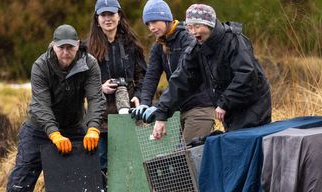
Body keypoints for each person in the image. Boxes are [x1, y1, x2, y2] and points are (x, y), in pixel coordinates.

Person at [1, 24, 106, 192]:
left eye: (70, 47)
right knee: (22, 176)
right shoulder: (41, 66)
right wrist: (54, 134)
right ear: (53, 46)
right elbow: (41, 105)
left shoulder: (90, 64)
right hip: (39, 128)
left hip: (75, 126)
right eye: (61, 48)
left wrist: (93, 128)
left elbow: (95, 98)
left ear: (78, 45)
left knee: (88, 173)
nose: (65, 52)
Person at [142, 3, 272, 141]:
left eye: (197, 26)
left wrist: (224, 103)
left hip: (253, 104)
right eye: (190, 27)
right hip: (227, 108)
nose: (193, 32)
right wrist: (162, 113)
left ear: (209, 25)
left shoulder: (233, 40)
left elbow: (246, 75)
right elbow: (181, 80)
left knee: (249, 145)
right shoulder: (196, 49)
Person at [130, 0, 215, 144]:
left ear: (166, 18)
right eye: (148, 24)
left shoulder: (187, 38)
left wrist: (159, 106)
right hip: (178, 109)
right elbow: (151, 76)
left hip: (199, 107)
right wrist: (145, 102)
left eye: (154, 21)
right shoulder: (159, 46)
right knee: (182, 159)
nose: (151, 27)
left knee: (190, 156)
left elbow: (183, 76)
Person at [86, 0, 147, 173]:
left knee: (129, 160)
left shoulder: (131, 45)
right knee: (102, 163)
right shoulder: (86, 48)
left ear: (119, 16)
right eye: (103, 15)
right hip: (100, 116)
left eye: (111, 14)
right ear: (97, 19)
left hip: (127, 113)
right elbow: (79, 83)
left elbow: (143, 76)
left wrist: (139, 96)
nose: (107, 19)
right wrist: (100, 87)